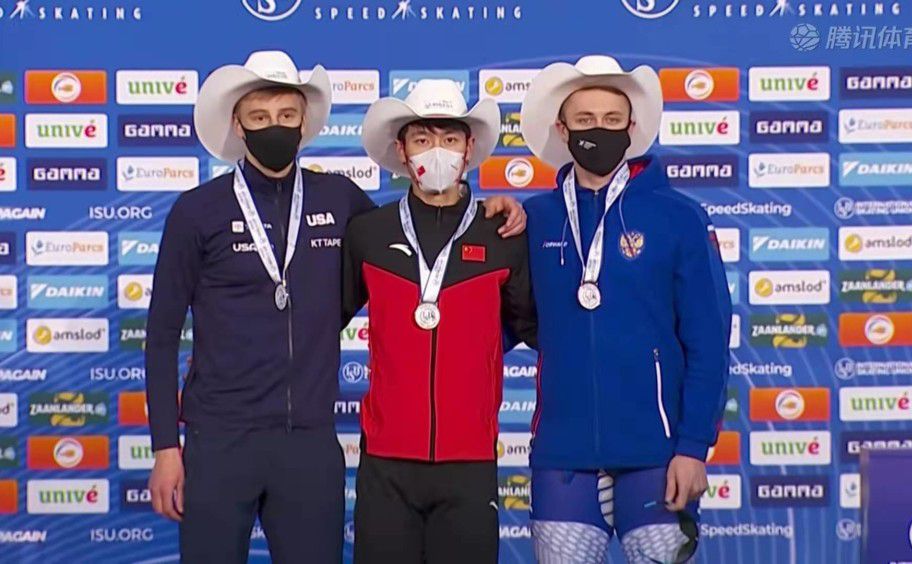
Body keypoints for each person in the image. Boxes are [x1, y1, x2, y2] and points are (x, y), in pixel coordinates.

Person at [145, 52, 525, 564]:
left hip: (310, 443)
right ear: (238, 123)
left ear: (305, 120)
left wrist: (484, 211)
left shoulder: (342, 201)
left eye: (286, 114)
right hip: (218, 442)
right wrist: (167, 449)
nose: (274, 127)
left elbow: (423, 241)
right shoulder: (196, 211)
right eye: (259, 117)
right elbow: (162, 336)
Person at [520, 55, 732, 563]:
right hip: (563, 457)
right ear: (562, 128)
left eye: (612, 120)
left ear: (632, 128)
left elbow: (707, 340)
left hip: (657, 457)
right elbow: (510, 320)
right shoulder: (534, 219)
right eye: (586, 120)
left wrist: (692, 447)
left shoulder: (678, 216)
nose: (599, 130)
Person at [343, 79, 537, 563]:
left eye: (450, 139)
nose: (438, 152)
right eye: (423, 139)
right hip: (386, 461)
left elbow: (530, 326)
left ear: (470, 149)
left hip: (469, 461)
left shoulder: (501, 232)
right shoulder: (369, 232)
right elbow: (322, 321)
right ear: (402, 150)